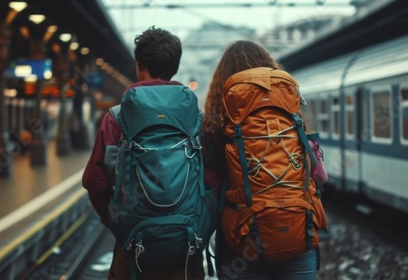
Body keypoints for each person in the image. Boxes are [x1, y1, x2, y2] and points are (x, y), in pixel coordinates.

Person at [82, 26, 205, 280]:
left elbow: (95, 182)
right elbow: (212, 180)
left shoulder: (116, 117)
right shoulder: (194, 117)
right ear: (175, 66)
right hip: (187, 245)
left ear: (139, 65)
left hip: (133, 247)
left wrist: (120, 222)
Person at [202, 40, 326, 280]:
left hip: (242, 242)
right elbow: (321, 177)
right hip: (297, 233)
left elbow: (210, 189)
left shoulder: (216, 130)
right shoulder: (293, 123)